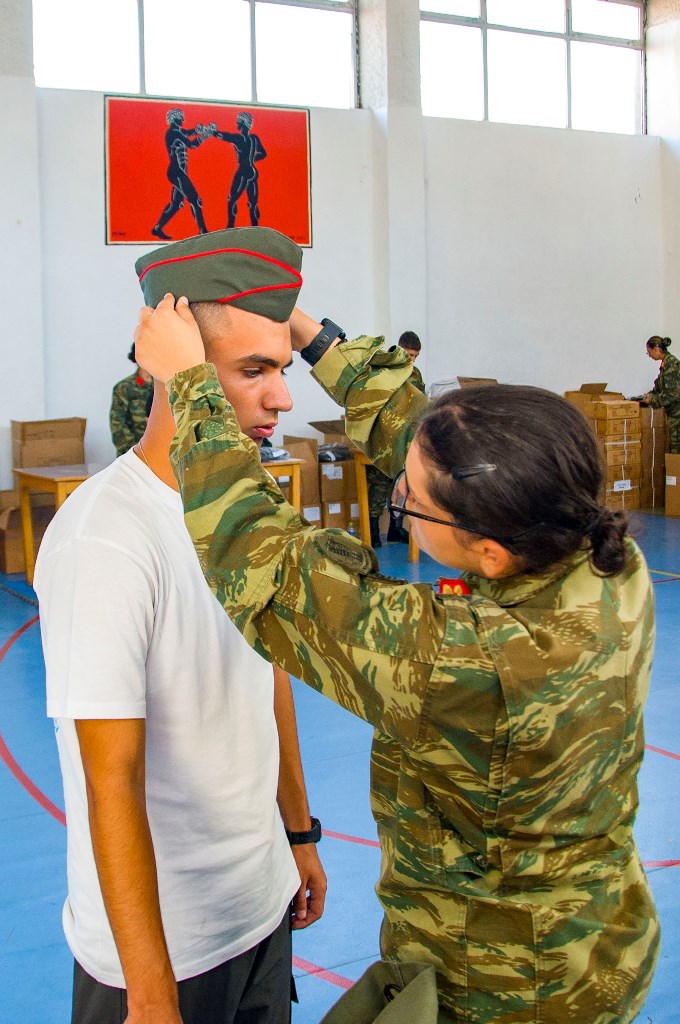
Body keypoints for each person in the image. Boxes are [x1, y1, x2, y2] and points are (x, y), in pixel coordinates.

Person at [136, 296, 661, 1024]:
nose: (402, 494)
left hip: (504, 985)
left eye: (411, 502)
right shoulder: (605, 559)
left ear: (489, 551)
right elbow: (424, 437)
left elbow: (262, 562)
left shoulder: (463, 663)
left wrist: (193, 385)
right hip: (601, 939)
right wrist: (302, 327)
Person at [34, 228, 324, 1024]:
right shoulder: (108, 535)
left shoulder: (250, 507)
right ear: (176, 366)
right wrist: (152, 995)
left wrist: (298, 833)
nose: (282, 399)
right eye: (253, 371)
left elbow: (269, 670)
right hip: (167, 949)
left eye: (283, 370)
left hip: (262, 906)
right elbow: (111, 776)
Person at [367, 331, 425, 547]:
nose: (412, 360)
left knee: (401, 483)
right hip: (384, 436)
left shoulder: (415, 374)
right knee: (378, 483)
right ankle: (373, 530)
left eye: (416, 356)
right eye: (409, 355)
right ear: (399, 349)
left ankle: (395, 527)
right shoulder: (385, 369)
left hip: (406, 438)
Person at [151, 108, 209, 241]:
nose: (182, 119)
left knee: (176, 204)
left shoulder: (177, 131)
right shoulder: (173, 133)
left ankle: (157, 228)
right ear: (174, 118)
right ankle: (203, 232)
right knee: (195, 200)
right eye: (180, 117)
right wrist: (206, 134)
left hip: (178, 172)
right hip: (177, 172)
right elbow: (192, 144)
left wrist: (199, 130)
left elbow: (187, 132)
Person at [206, 112, 267, 228]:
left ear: (243, 123)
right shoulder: (254, 138)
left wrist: (211, 131)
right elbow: (263, 153)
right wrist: (251, 159)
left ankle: (230, 227)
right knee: (252, 203)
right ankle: (255, 227)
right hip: (252, 171)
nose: (237, 123)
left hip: (243, 171)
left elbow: (224, 136)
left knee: (232, 200)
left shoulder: (239, 138)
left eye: (238, 121)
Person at [109, 343, 154, 456]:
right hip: (133, 454)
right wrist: (135, 453)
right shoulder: (124, 387)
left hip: (159, 453)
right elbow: (117, 424)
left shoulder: (164, 388)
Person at [638, 335, 680, 453]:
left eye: (649, 351)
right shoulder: (665, 364)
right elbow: (660, 389)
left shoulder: (671, 365)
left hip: (677, 416)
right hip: (672, 415)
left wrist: (652, 400)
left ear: (656, 349)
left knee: (675, 452)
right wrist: (648, 396)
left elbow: (673, 394)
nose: (649, 355)